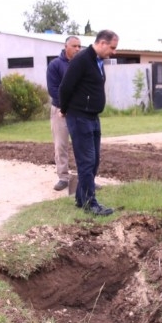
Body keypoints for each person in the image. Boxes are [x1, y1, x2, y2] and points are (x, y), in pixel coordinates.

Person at [58, 29, 119, 216]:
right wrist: (65, 109)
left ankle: (80, 198)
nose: (114, 52)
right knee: (87, 161)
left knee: (94, 161)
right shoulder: (82, 59)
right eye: (112, 47)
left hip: (92, 116)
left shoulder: (98, 61)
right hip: (79, 117)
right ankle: (90, 203)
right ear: (101, 43)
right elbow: (65, 87)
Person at [46, 35, 81, 191]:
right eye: (74, 46)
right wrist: (65, 106)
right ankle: (63, 177)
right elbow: (53, 89)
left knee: (82, 145)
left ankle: (85, 178)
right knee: (61, 145)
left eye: (79, 46)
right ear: (66, 46)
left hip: (79, 111)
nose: (78, 49)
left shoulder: (81, 64)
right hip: (60, 110)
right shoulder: (55, 65)